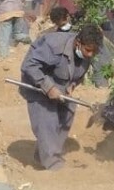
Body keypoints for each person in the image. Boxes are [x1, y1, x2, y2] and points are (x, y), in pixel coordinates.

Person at [19, 25, 103, 170]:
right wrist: (49, 87)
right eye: (88, 50)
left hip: (61, 87)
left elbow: (78, 73)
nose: (90, 55)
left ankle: (42, 155)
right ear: (78, 43)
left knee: (68, 113)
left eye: (93, 52)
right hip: (37, 85)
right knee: (48, 122)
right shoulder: (53, 45)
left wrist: (73, 84)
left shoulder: (88, 52)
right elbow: (29, 65)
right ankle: (52, 163)